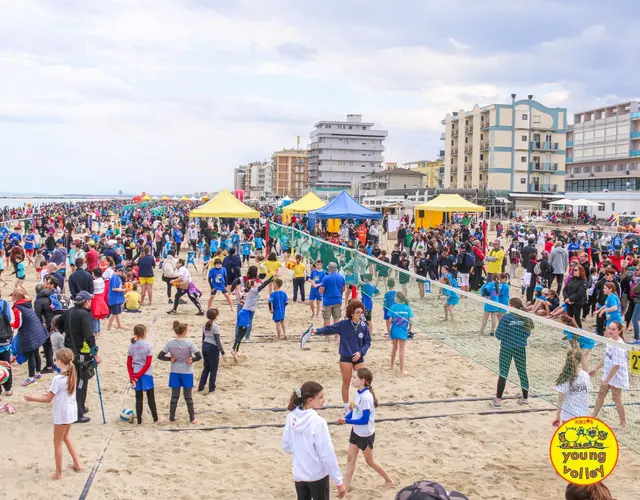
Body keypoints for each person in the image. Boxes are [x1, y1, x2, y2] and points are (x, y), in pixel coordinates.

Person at [23, 348, 81, 480]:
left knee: (58, 442)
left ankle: (58, 473)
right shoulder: (72, 373)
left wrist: (32, 398)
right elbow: (58, 393)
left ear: (59, 361)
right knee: (66, 437)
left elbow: (49, 399)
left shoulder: (58, 379)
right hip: (71, 410)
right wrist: (48, 394)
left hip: (62, 412)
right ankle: (77, 463)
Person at [282, 381, 346, 500]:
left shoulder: (291, 417)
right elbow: (327, 455)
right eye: (320, 397)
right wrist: (339, 481)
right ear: (310, 400)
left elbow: (286, 445)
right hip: (317, 475)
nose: (323, 400)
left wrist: (300, 451)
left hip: (299, 474)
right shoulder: (318, 422)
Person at [337, 368, 393, 491]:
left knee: (370, 461)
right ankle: (345, 487)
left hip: (365, 435)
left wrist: (346, 421)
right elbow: (356, 411)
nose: (352, 380)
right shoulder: (359, 392)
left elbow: (364, 420)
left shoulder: (367, 397)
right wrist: (346, 417)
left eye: (354, 378)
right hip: (356, 431)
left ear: (362, 381)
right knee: (350, 459)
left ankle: (389, 480)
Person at [312, 300, 371, 413]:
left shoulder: (364, 326)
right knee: (346, 382)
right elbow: (330, 329)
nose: (360, 314)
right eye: (358, 312)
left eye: (361, 312)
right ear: (352, 314)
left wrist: (360, 352)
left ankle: (364, 404)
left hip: (359, 357)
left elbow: (367, 342)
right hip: (346, 357)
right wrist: (317, 330)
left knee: (365, 381)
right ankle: (346, 406)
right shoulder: (344, 324)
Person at [58, 290, 102, 423]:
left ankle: (80, 407)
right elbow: (89, 336)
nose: (91, 303)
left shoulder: (69, 311)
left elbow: (58, 322)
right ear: (85, 302)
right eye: (90, 300)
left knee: (73, 380)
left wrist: (66, 334)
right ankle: (78, 413)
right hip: (81, 352)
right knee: (81, 382)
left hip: (69, 351)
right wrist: (95, 354)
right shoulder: (84, 315)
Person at [490, 298, 532, 408]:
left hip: (507, 348)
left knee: (503, 373)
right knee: (522, 372)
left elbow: (498, 335)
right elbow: (527, 334)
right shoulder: (525, 317)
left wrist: (502, 324)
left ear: (511, 305)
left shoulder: (506, 318)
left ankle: (498, 400)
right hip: (520, 348)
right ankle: (525, 398)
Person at [158, 320, 202, 424]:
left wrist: (170, 359)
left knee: (174, 396)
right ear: (185, 331)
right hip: (187, 371)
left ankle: (171, 418)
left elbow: (160, 356)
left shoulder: (170, 343)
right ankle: (192, 418)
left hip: (175, 371)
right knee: (188, 397)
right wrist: (192, 360)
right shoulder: (189, 343)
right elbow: (199, 356)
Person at [591, 321, 629, 429]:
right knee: (600, 396)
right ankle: (593, 417)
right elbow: (606, 357)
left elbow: (616, 366)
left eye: (613, 329)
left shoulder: (620, 346)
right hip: (608, 373)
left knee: (616, 398)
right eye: (609, 328)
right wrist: (595, 369)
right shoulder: (609, 340)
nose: (610, 331)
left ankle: (623, 423)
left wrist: (606, 380)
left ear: (619, 331)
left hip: (617, 376)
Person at [11, 287, 48, 387]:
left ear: (15, 297)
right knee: (36, 352)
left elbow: (18, 324)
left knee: (30, 354)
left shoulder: (17, 307)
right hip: (36, 329)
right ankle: (38, 372)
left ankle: (31, 377)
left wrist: (11, 325)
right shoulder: (26, 303)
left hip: (29, 332)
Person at [127, 324, 158, 424]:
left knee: (138, 398)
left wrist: (132, 377)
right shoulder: (148, 345)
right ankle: (155, 419)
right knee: (150, 398)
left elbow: (128, 363)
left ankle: (139, 420)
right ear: (144, 333)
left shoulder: (131, 345)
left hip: (136, 372)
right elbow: (148, 364)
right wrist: (137, 376)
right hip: (146, 374)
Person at [552, 348, 591, 426]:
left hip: (568, 416)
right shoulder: (585, 375)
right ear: (579, 360)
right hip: (583, 416)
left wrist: (557, 416)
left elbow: (560, 401)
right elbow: (588, 391)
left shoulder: (565, 378)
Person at [198, 308, 232, 393]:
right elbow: (217, 341)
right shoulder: (216, 327)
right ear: (216, 316)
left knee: (206, 368)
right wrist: (223, 353)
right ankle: (211, 388)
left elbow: (203, 338)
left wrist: (203, 347)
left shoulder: (204, 325)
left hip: (205, 346)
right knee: (213, 370)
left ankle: (201, 387)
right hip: (212, 348)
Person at [389, 292, 413, 376]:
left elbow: (389, 320)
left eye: (395, 297)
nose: (394, 298)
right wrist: (410, 328)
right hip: (403, 331)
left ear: (397, 298)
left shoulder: (393, 307)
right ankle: (401, 371)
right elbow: (411, 321)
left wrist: (389, 331)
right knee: (401, 350)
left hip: (394, 330)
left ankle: (391, 366)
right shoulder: (407, 308)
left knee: (394, 348)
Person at [319, 262, 346, 327]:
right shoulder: (341, 277)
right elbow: (343, 289)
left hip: (328, 301)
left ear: (329, 269)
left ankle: (327, 335)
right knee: (336, 319)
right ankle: (336, 335)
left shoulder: (326, 278)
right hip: (338, 300)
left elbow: (321, 291)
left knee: (327, 319)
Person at [563, 265, 588, 329]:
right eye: (573, 270)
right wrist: (566, 298)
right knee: (569, 318)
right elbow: (564, 289)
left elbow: (580, 293)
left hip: (577, 302)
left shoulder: (583, 281)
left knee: (576, 319)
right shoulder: (571, 279)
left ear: (580, 271)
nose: (574, 271)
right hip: (568, 302)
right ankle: (569, 334)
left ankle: (579, 334)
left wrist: (570, 299)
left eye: (576, 270)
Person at [107, 265, 126, 329]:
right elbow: (114, 288)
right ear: (118, 270)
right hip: (114, 298)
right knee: (114, 313)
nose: (122, 273)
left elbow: (119, 286)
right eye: (121, 272)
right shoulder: (114, 277)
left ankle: (119, 325)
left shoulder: (118, 277)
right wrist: (124, 290)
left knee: (117, 312)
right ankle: (109, 326)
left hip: (118, 297)